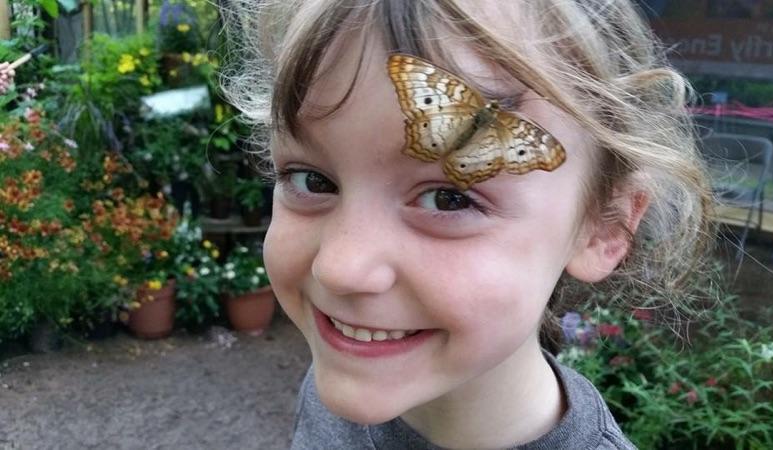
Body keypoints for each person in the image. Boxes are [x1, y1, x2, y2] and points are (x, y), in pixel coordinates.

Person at [222, 0, 713, 448]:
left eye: (450, 198)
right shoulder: (337, 378)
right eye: (311, 181)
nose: (340, 268)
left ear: (605, 227)